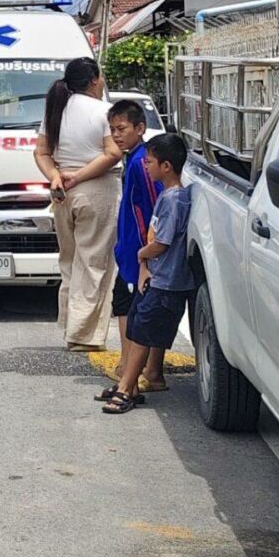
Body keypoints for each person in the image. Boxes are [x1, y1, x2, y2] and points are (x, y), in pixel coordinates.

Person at [32, 57, 122, 351]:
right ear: (95, 79)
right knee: (94, 262)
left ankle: (71, 325)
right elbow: (113, 154)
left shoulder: (55, 110)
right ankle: (83, 335)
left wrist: (56, 176)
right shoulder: (104, 111)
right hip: (96, 191)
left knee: (70, 261)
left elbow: (41, 152)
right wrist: (79, 176)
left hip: (61, 195)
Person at [102, 134, 193, 414]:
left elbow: (162, 241)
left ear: (166, 166)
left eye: (151, 162)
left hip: (165, 281)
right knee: (138, 327)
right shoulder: (169, 196)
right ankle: (129, 385)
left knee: (142, 334)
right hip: (157, 276)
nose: (147, 166)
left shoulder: (174, 200)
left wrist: (142, 254)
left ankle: (127, 388)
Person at [108, 98, 168, 393]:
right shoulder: (135, 159)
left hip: (138, 256)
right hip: (133, 252)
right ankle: (148, 371)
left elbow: (151, 210)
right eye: (113, 130)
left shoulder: (141, 164)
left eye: (122, 128)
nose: (116, 135)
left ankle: (128, 371)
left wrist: (145, 256)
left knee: (130, 309)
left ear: (140, 128)